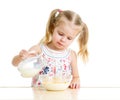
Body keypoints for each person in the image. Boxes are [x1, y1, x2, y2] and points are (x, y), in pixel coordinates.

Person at [12, 9, 89, 89]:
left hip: (62, 95)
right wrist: (21, 57)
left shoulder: (71, 55)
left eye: (69, 38)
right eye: (60, 34)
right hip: (40, 95)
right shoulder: (39, 50)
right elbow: (14, 63)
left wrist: (76, 80)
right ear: (53, 28)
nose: (63, 40)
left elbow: (76, 77)